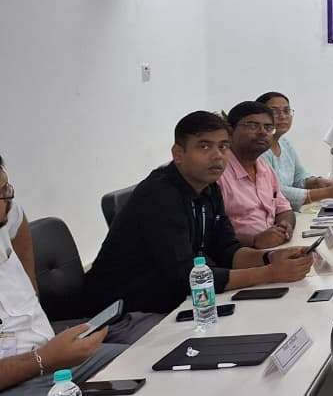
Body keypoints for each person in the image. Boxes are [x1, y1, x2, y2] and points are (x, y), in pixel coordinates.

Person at [84, 111, 313, 317]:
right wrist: (269, 273)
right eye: (204, 146)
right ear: (178, 154)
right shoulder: (160, 194)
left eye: (223, 146)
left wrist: (270, 258)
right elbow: (185, 277)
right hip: (123, 312)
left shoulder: (209, 187)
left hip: (176, 301)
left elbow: (227, 250)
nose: (218, 156)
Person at [0, 155, 125, 396]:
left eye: (5, 187)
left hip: (55, 358)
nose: (8, 199)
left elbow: (18, 220)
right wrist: (43, 359)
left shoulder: (7, 214)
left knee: (143, 363)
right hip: (17, 381)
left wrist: (31, 293)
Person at [256, 92, 333, 211]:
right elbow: (274, 191)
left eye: (286, 111)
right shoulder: (258, 149)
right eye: (275, 111)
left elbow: (299, 176)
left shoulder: (284, 143)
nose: (282, 116)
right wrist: (326, 192)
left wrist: (317, 182)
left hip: (288, 211)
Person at [220, 101, 295, 249]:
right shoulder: (218, 172)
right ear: (230, 131)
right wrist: (253, 240)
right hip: (238, 254)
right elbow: (211, 232)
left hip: (274, 247)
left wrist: (285, 225)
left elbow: (284, 208)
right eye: (253, 126)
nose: (262, 132)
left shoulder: (264, 168)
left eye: (268, 127)